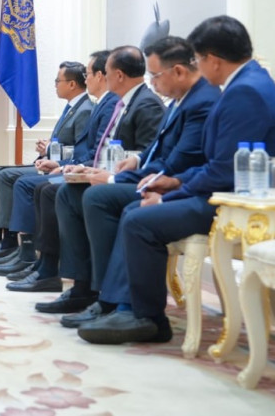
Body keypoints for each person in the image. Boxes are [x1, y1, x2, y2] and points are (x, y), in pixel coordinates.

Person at [79, 16, 275, 345]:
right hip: (230, 192)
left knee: (140, 219)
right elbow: (218, 165)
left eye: (199, 59)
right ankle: (128, 308)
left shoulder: (244, 92)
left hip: (240, 203)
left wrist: (168, 196)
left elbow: (224, 171)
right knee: (135, 210)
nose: (197, 67)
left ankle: (148, 319)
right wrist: (176, 184)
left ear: (213, 60)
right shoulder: (246, 83)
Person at [55, 36, 219, 329]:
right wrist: (135, 162)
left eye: (155, 75)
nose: (151, 82)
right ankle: (89, 289)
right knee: (71, 192)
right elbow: (157, 153)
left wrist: (114, 178)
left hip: (181, 186)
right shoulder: (179, 100)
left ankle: (111, 299)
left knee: (99, 197)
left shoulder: (200, 102)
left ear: (178, 71)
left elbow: (177, 163)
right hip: (161, 178)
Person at [30, 45, 165, 308]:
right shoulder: (126, 102)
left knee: (79, 194)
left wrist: (110, 175)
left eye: (98, 73)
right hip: (104, 172)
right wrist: (92, 170)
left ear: (118, 75)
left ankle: (102, 293)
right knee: (67, 192)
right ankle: (80, 285)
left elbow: (148, 158)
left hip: (134, 182)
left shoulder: (145, 104)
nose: (94, 78)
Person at [5, 51, 119, 292]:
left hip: (96, 173)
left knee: (45, 189)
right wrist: (60, 161)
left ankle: (48, 267)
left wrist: (69, 164)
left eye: (88, 74)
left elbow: (98, 151)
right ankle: (37, 261)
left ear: (100, 76)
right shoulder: (102, 104)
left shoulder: (106, 105)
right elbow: (92, 149)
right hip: (80, 165)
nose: (85, 79)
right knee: (33, 185)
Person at [0, 62, 93, 262]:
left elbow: (81, 151)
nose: (55, 85)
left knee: (7, 176)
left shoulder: (85, 109)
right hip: (50, 162)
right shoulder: (73, 107)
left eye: (58, 80)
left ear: (72, 84)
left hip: (61, 167)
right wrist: (47, 148)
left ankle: (9, 241)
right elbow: (66, 142)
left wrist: (51, 153)